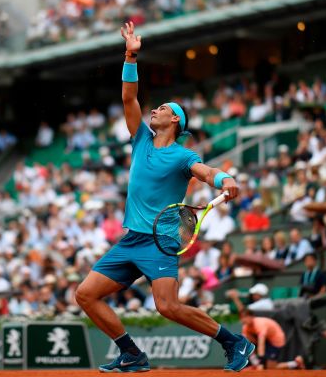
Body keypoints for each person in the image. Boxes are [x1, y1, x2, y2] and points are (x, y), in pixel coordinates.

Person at [75, 22, 254, 373]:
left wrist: (226, 177)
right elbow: (129, 97)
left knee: (168, 307)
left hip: (161, 240)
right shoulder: (140, 138)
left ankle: (234, 342)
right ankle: (132, 354)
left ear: (174, 119)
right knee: (85, 294)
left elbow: (205, 172)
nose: (153, 110)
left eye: (161, 109)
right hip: (131, 239)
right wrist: (130, 55)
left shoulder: (184, 156)